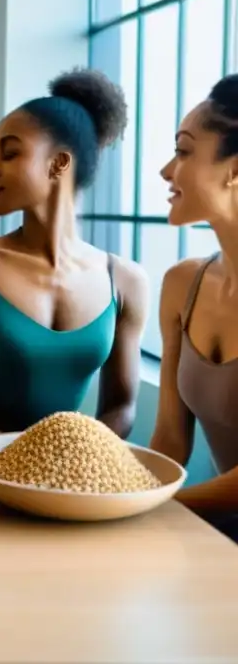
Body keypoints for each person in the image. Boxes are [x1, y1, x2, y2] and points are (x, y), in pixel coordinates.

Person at [0, 68, 149, 446]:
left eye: (10, 153)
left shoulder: (125, 281)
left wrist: (75, 462)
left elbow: (121, 407)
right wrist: (18, 464)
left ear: (58, 164)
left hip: (61, 472)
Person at [150, 74, 238, 540]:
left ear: (235, 169)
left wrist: (146, 510)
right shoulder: (182, 283)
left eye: (184, 151)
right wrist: (127, 490)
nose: (166, 170)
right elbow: (168, 441)